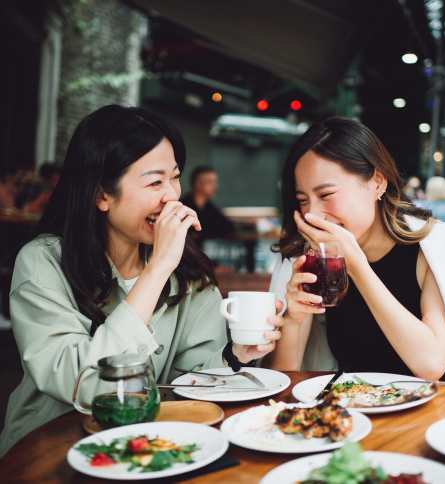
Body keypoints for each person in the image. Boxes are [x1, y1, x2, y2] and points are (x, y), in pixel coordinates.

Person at [0, 105, 283, 456]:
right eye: (154, 182)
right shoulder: (43, 262)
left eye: (175, 177)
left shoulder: (187, 270)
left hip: (147, 449)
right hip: (48, 450)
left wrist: (233, 354)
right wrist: (157, 271)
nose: (172, 196)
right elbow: (84, 385)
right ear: (101, 194)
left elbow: (191, 380)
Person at [268, 116, 445, 391]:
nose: (313, 214)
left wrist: (358, 267)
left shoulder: (435, 249)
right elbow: (281, 383)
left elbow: (431, 363)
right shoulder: (312, 259)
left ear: (377, 182)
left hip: (432, 421)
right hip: (348, 419)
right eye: (303, 200)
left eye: (326, 194)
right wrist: (293, 319)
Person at [181, 165, 234, 245]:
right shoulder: (182, 207)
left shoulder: (211, 208)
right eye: (210, 182)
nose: (215, 186)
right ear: (198, 184)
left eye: (215, 182)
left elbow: (229, 227)